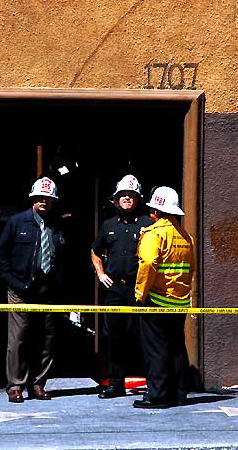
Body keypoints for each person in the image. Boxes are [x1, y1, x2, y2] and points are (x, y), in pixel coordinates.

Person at [0, 177, 65, 403]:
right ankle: (15, 385)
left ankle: (38, 384)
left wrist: (58, 281)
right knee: (18, 339)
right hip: (21, 290)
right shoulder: (18, 222)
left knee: (46, 339)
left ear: (53, 201)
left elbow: (65, 256)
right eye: (40, 198)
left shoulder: (58, 225)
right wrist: (13, 282)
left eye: (48, 198)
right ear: (33, 199)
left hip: (48, 291)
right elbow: (1, 256)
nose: (44, 201)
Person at [133, 186, 196, 409]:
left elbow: (148, 264)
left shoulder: (154, 234)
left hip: (156, 300)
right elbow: (191, 270)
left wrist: (140, 293)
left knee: (156, 349)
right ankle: (179, 394)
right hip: (179, 302)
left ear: (156, 212)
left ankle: (157, 395)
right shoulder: (186, 237)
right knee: (177, 346)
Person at [91, 174, 152, 398]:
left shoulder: (148, 224)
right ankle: (116, 384)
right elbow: (95, 251)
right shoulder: (108, 226)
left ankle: (153, 386)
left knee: (144, 337)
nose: (127, 199)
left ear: (138, 199)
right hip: (115, 290)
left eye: (131, 195)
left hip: (139, 289)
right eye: (123, 195)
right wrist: (101, 273)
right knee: (114, 337)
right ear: (116, 200)